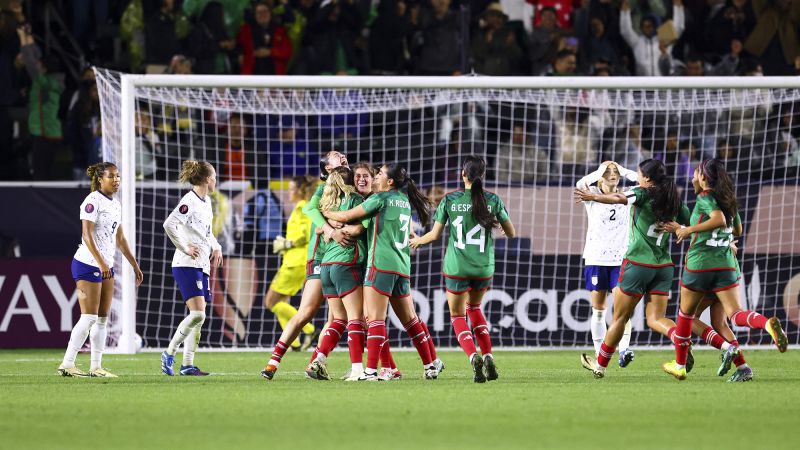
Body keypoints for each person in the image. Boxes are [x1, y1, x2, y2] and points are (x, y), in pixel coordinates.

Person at [661, 159, 788, 380]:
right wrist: (723, 239)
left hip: (701, 266)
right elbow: (736, 229)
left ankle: (680, 365)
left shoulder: (704, 197)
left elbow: (718, 219)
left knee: (685, 316)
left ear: (704, 178)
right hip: (726, 266)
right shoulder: (729, 200)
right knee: (733, 316)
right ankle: (762, 330)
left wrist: (687, 229)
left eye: (695, 174)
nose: (692, 178)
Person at [321, 163, 439, 381]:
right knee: (411, 321)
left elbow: (348, 215)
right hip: (402, 267)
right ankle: (431, 365)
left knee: (374, 319)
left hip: (380, 265)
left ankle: (370, 371)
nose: (376, 177)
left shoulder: (380, 199)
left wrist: (325, 212)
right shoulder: (404, 201)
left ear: (390, 181)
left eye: (380, 174)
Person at [575, 159, 688, 378]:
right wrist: (682, 229)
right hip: (664, 266)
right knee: (655, 319)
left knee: (619, 317)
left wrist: (595, 196)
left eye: (638, 172)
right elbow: (694, 222)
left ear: (645, 178)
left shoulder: (641, 193)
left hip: (637, 264)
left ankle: (600, 365)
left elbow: (620, 197)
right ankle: (680, 342)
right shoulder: (674, 198)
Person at [411, 156, 516, 383]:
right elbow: (511, 233)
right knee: (475, 308)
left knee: (458, 315)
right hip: (483, 267)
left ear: (463, 174)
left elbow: (434, 235)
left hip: (457, 267)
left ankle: (473, 357)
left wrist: (417, 241)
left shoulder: (450, 200)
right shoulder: (493, 200)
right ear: (483, 175)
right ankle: (488, 355)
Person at [261, 150, 353, 380]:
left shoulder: (352, 187)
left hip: (340, 257)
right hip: (321, 257)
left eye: (341, 154)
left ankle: (315, 363)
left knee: (335, 318)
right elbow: (310, 210)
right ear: (326, 170)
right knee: (308, 312)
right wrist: (330, 228)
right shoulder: (323, 190)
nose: (341, 156)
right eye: (334, 156)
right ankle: (274, 361)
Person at [58, 162, 143, 377]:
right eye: (111, 176)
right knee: (88, 317)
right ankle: (67, 363)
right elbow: (86, 235)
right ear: (99, 179)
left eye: (118, 176)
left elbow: (120, 238)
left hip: (106, 266)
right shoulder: (92, 201)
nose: (116, 180)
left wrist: (134, 264)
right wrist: (102, 263)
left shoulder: (115, 204)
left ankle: (96, 366)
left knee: (103, 318)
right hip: (87, 263)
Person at [161, 160, 224, 376]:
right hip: (186, 263)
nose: (216, 180)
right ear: (207, 179)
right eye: (214, 176)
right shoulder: (189, 200)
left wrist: (216, 246)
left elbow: (206, 233)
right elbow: (169, 224)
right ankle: (169, 352)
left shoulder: (205, 201)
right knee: (197, 314)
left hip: (201, 264)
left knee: (200, 316)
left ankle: (188, 364)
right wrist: (185, 247)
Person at [306, 166, 368, 381]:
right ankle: (358, 369)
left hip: (326, 267)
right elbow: (363, 226)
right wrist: (347, 228)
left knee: (338, 319)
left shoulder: (327, 203)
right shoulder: (356, 200)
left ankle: (318, 360)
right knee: (355, 318)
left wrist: (330, 227)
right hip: (346, 263)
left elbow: (317, 226)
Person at [575, 162, 638, 368]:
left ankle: (624, 350)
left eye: (615, 172)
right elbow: (580, 182)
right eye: (607, 172)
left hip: (620, 260)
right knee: (599, 309)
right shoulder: (590, 194)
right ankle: (599, 351)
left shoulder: (628, 195)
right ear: (599, 177)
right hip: (595, 258)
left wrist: (622, 168)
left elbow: (644, 182)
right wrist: (600, 170)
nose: (612, 174)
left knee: (622, 310)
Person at [263, 175, 318, 350]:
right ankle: (293, 343)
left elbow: (305, 234)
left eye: (292, 189)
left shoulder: (302, 207)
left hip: (295, 262)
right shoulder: (300, 207)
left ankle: (309, 329)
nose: (289, 192)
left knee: (270, 302)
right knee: (283, 302)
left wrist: (287, 243)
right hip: (295, 260)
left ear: (300, 190)